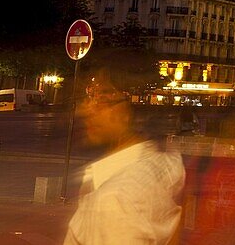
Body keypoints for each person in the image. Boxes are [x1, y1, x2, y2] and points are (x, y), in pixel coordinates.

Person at [65, 70, 185, 245]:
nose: (86, 109)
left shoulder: (115, 199)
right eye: (89, 96)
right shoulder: (162, 164)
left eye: (102, 98)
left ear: (127, 111)